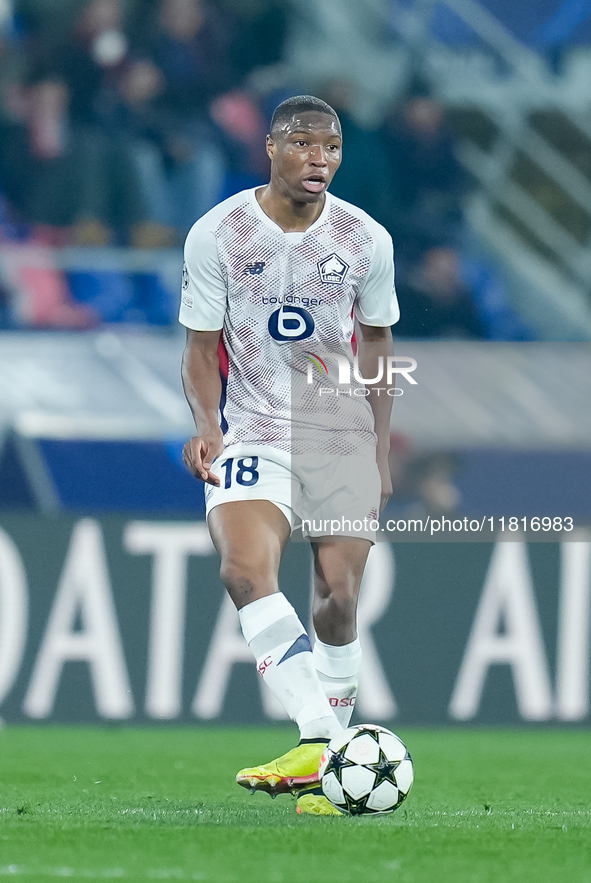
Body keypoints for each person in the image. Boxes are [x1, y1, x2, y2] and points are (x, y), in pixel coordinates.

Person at [179, 95, 399, 816]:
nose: (319, 159)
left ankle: (327, 767)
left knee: (337, 601)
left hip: (337, 435)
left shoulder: (366, 239)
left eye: (331, 147)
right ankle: (321, 741)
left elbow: (375, 345)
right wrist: (206, 421)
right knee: (244, 569)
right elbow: (199, 349)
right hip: (253, 432)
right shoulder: (217, 232)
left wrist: (380, 444)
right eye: (304, 144)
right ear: (271, 147)